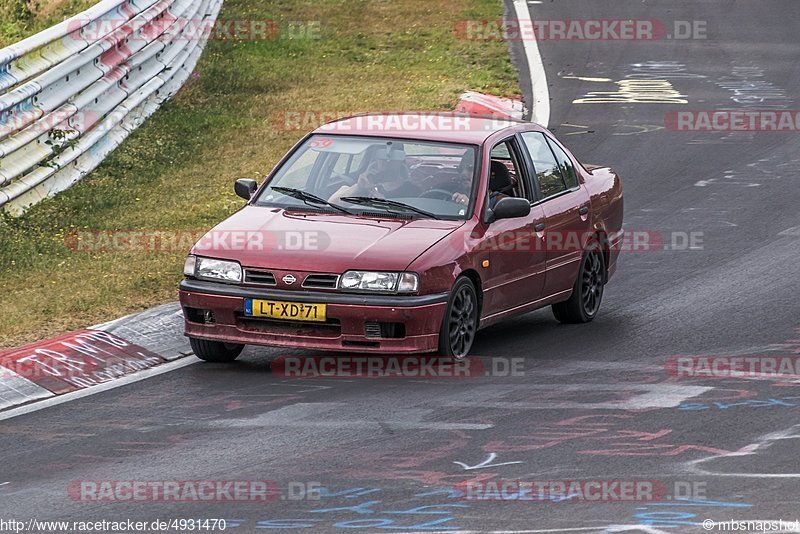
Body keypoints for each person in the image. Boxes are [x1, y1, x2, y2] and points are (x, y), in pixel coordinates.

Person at [329, 148, 419, 203]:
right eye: (382, 158)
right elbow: (330, 204)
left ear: (401, 161)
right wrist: (358, 187)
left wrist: (385, 205)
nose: (386, 162)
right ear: (376, 160)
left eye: (393, 158)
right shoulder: (365, 186)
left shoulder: (413, 192)